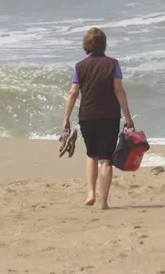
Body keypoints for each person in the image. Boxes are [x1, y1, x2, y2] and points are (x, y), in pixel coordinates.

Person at [62, 27, 134, 210]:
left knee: (91, 155)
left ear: (86, 46)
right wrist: (128, 116)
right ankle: (104, 202)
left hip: (87, 117)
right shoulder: (113, 64)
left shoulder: (80, 66)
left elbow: (73, 92)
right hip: (110, 117)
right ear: (104, 45)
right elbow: (119, 90)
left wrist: (66, 118)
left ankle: (91, 193)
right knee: (106, 160)